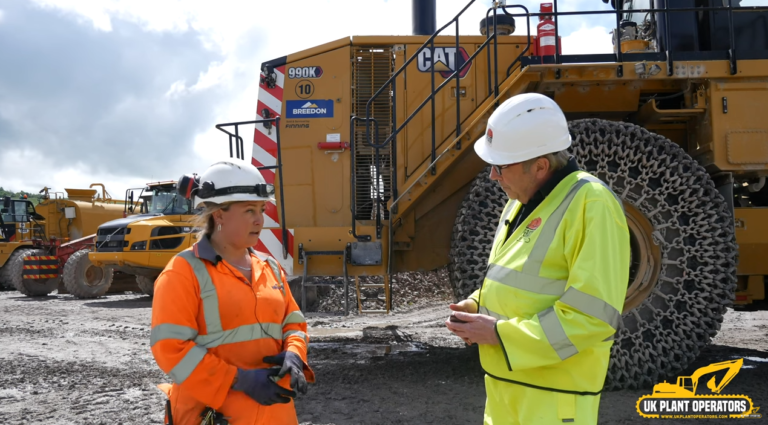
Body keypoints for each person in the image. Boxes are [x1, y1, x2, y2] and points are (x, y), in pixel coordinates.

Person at [445, 93, 630, 425]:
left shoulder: (592, 204)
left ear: (540, 166)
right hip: (505, 392)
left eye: (500, 166)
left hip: (554, 400)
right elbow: (520, 282)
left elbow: (592, 317)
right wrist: (476, 305)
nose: (492, 176)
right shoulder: (520, 202)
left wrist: (500, 334)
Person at [150, 161, 314, 425]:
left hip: (275, 414)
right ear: (219, 215)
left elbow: (293, 323)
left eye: (261, 209)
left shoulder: (270, 267)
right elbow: (170, 348)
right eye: (249, 210)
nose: (260, 219)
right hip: (213, 415)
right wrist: (236, 378)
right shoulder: (182, 273)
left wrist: (295, 353)